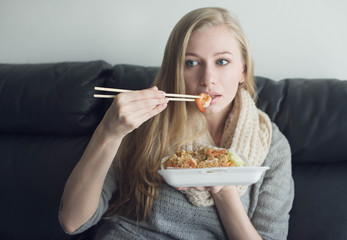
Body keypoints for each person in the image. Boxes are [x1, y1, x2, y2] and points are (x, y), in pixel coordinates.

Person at [59, 7, 294, 240]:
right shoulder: (142, 119)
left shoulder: (271, 144)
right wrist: (108, 133)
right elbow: (72, 221)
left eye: (222, 61)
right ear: (175, 71)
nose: (208, 80)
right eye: (191, 63)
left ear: (243, 70)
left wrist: (223, 190)